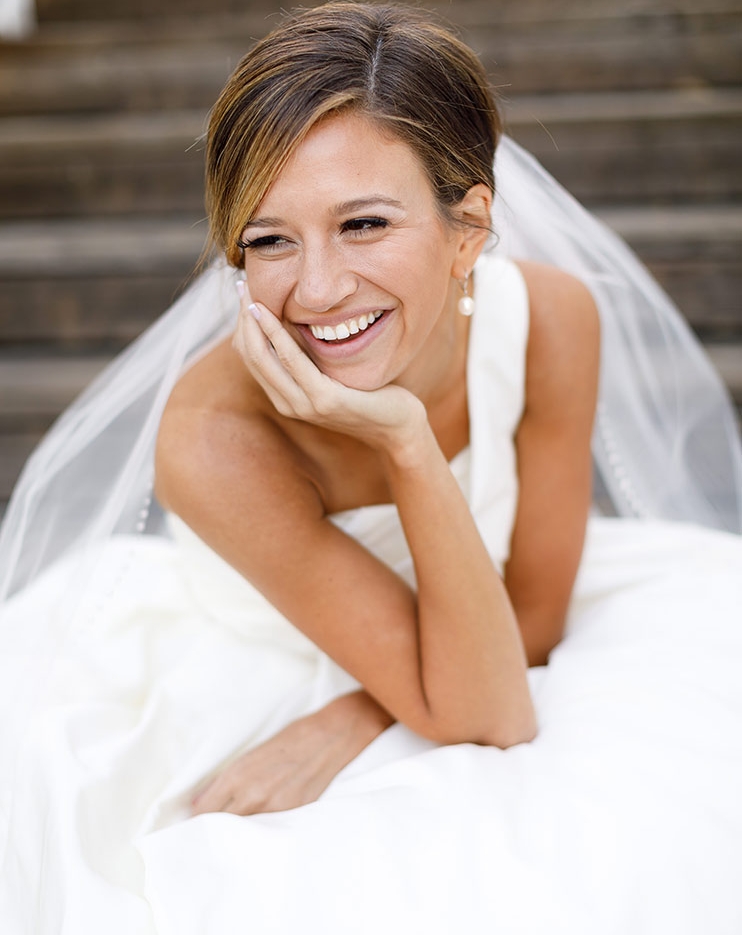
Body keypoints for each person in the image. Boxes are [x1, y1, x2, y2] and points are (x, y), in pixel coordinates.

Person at [1, 3, 741, 933]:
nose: (317, 290)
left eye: (363, 223)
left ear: (469, 228)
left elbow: (527, 634)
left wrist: (367, 698)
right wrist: (407, 446)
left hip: (476, 657)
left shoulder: (553, 322)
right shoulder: (214, 435)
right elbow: (488, 712)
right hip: (248, 667)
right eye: (269, 238)